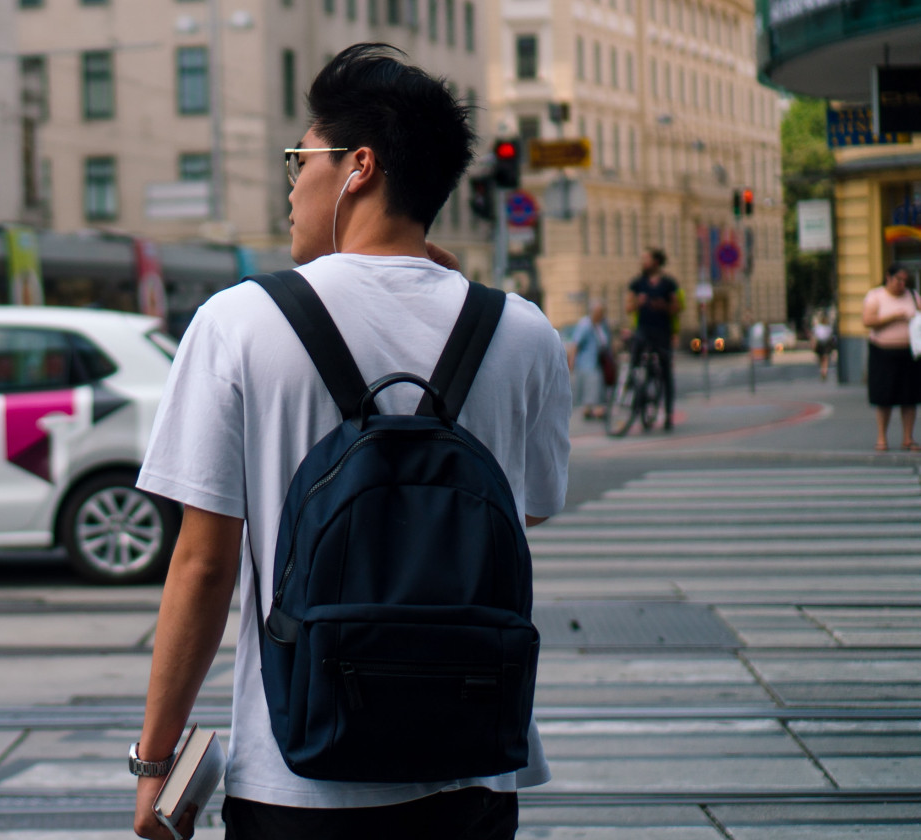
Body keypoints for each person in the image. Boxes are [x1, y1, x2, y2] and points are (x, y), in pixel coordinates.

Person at [130, 44, 569, 840]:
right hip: (473, 769)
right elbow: (520, 514)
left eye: (301, 158)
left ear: (358, 165)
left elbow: (203, 563)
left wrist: (156, 764)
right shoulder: (523, 333)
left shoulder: (237, 323)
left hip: (297, 781)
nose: (292, 184)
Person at [861, 265, 921, 451]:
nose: (901, 285)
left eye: (905, 281)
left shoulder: (913, 296)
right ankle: (882, 438)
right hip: (883, 352)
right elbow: (868, 321)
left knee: (909, 397)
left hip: (909, 352)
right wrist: (894, 317)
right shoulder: (876, 296)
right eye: (898, 280)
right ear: (888, 278)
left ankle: (908, 438)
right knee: (884, 397)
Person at [625, 248, 681, 431]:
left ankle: (669, 414)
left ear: (656, 261)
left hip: (662, 332)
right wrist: (637, 303)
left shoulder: (668, 283)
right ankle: (632, 394)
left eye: (646, 258)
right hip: (643, 330)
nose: (642, 262)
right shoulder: (638, 283)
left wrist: (663, 306)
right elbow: (628, 306)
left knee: (665, 372)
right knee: (633, 362)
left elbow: (676, 307)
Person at [568, 301, 611, 420]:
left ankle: (590, 409)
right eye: (598, 312)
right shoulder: (585, 325)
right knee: (592, 384)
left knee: (594, 385)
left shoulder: (602, 324)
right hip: (587, 362)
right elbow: (575, 344)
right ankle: (595, 409)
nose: (601, 315)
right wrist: (571, 363)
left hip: (598, 361)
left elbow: (607, 341)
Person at [812, 314, 835, 381]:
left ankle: (823, 371)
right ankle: (824, 371)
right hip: (826, 344)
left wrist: (813, 346)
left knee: (821, 359)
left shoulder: (818, 328)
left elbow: (815, 337)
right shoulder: (828, 328)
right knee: (825, 359)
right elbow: (831, 337)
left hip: (820, 344)